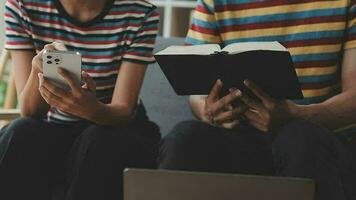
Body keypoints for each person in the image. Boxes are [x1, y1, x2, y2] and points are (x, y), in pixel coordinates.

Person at [158, 0, 356, 200]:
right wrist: (207, 110)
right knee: (184, 139)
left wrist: (299, 115)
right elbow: (197, 89)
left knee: (299, 137)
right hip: (239, 137)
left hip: (318, 140)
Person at [0, 0, 160, 200]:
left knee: (97, 140)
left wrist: (92, 110)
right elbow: (30, 112)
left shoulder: (140, 12)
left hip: (114, 129)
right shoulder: (22, 6)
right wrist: (38, 70)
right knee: (20, 132)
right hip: (53, 131)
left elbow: (124, 110)